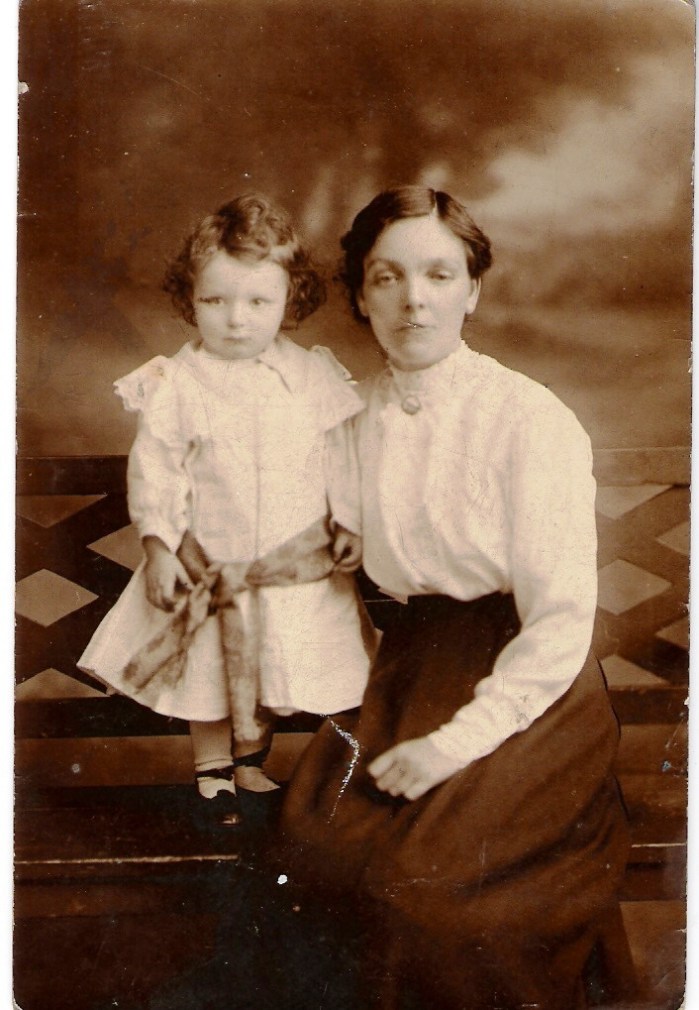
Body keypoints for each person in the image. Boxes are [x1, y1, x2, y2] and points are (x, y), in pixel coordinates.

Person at [279, 186, 637, 1008]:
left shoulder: (527, 419)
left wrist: (453, 745)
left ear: (471, 289)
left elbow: (557, 622)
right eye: (387, 277)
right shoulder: (345, 418)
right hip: (403, 679)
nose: (414, 300)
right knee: (316, 857)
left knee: (427, 892)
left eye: (439, 275)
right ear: (360, 295)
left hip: (527, 693)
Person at [79, 193, 375, 827]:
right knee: (209, 668)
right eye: (215, 301)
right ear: (191, 298)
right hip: (210, 558)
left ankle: (251, 762)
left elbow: (340, 454)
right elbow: (157, 467)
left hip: (293, 564)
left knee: (272, 660)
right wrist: (159, 546)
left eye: (257, 302)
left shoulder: (311, 375)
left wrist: (349, 517)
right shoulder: (178, 383)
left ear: (291, 300)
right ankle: (213, 768)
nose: (236, 320)